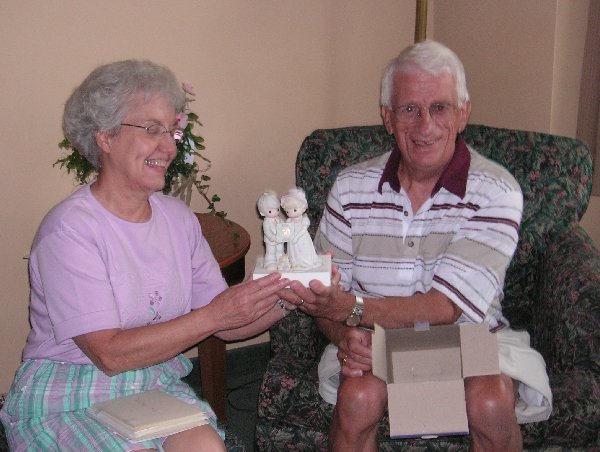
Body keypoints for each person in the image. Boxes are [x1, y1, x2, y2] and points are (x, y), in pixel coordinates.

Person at [0, 59, 299, 452]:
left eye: (172, 130)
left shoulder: (179, 220)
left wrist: (291, 294)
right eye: (152, 129)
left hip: (151, 381)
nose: (170, 146)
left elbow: (226, 324)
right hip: (70, 386)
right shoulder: (69, 231)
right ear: (105, 136)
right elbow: (108, 354)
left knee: (208, 448)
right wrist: (214, 315)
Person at [286, 41, 552, 451]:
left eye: (440, 107)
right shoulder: (350, 187)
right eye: (409, 109)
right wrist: (345, 335)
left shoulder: (496, 190)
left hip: (471, 337)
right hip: (374, 338)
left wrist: (350, 310)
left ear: (463, 114)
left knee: (490, 402)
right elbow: (325, 296)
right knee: (358, 398)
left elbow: (445, 308)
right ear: (387, 118)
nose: (425, 125)